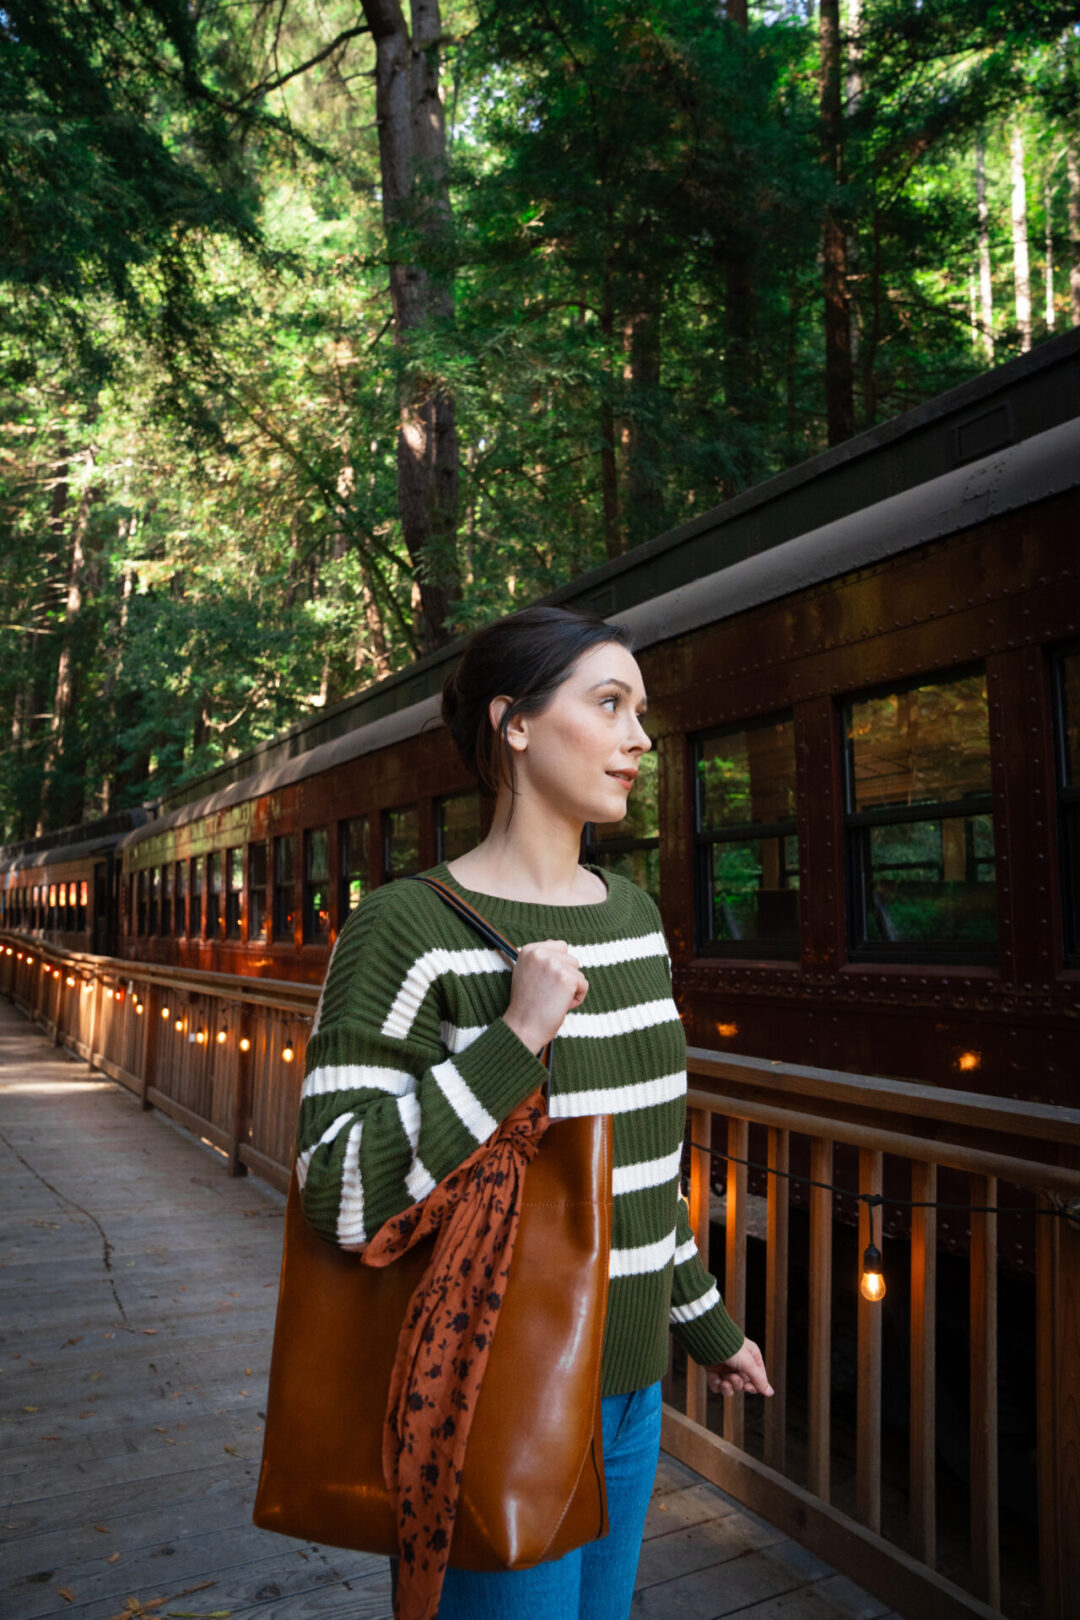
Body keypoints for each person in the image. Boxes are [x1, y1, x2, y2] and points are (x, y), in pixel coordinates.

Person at [295, 603, 772, 1620]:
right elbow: (337, 1190)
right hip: (489, 1384)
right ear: (514, 724)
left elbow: (643, 1164)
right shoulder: (402, 928)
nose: (640, 737)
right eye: (608, 704)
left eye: (641, 710)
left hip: (632, 1387)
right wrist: (515, 1041)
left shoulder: (634, 918)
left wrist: (704, 1321)